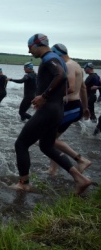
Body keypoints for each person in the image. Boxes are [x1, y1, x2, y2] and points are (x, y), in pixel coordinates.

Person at [11, 34, 91, 195]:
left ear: (37, 44)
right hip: (57, 109)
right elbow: (65, 82)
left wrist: (44, 96)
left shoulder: (49, 58)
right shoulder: (58, 58)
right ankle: (80, 179)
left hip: (49, 110)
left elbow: (60, 75)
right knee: (46, 146)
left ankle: (24, 183)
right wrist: (46, 96)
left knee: (21, 144)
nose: (29, 51)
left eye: (30, 47)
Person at [46, 43, 91, 175]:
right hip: (74, 107)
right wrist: (86, 107)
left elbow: (70, 87)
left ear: (56, 54)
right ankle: (53, 169)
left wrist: (46, 97)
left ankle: (81, 160)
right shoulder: (77, 65)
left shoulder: (69, 66)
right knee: (52, 140)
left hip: (69, 107)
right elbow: (82, 88)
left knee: (49, 140)